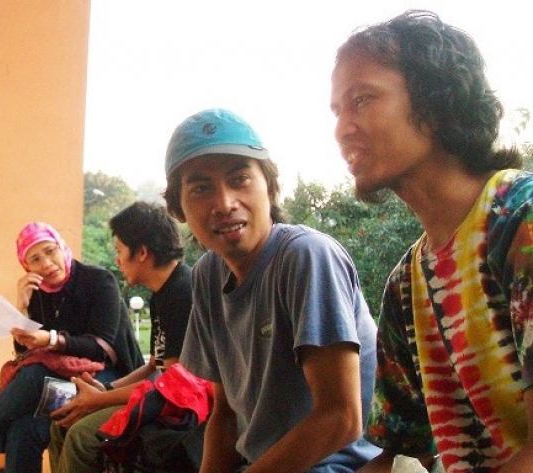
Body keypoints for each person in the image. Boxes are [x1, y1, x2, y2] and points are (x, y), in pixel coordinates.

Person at [330, 10, 533, 473]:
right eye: (338, 110)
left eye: (362, 99)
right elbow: (397, 454)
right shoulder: (407, 286)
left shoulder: (519, 220)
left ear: (436, 104)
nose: (343, 128)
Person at [164, 108, 380, 472]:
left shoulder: (306, 257)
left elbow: (341, 418)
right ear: (178, 208)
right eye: (201, 188)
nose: (225, 203)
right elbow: (226, 413)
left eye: (240, 179)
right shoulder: (207, 276)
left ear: (270, 186)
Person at [0, 222, 144, 473]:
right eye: (35, 259)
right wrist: (21, 308)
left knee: (33, 376)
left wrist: (51, 340)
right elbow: (26, 355)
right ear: (26, 266)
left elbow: (101, 347)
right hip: (62, 382)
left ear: (63, 248)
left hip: (111, 378)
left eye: (50, 251)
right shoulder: (38, 293)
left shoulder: (99, 280)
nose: (46, 263)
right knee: (23, 429)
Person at [48, 201, 196, 473]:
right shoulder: (162, 293)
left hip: (179, 409)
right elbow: (154, 365)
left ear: (141, 252)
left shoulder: (182, 291)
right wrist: (105, 389)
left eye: (119, 251)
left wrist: (98, 399)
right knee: (61, 425)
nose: (116, 259)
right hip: (159, 396)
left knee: (80, 436)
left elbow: (171, 385)